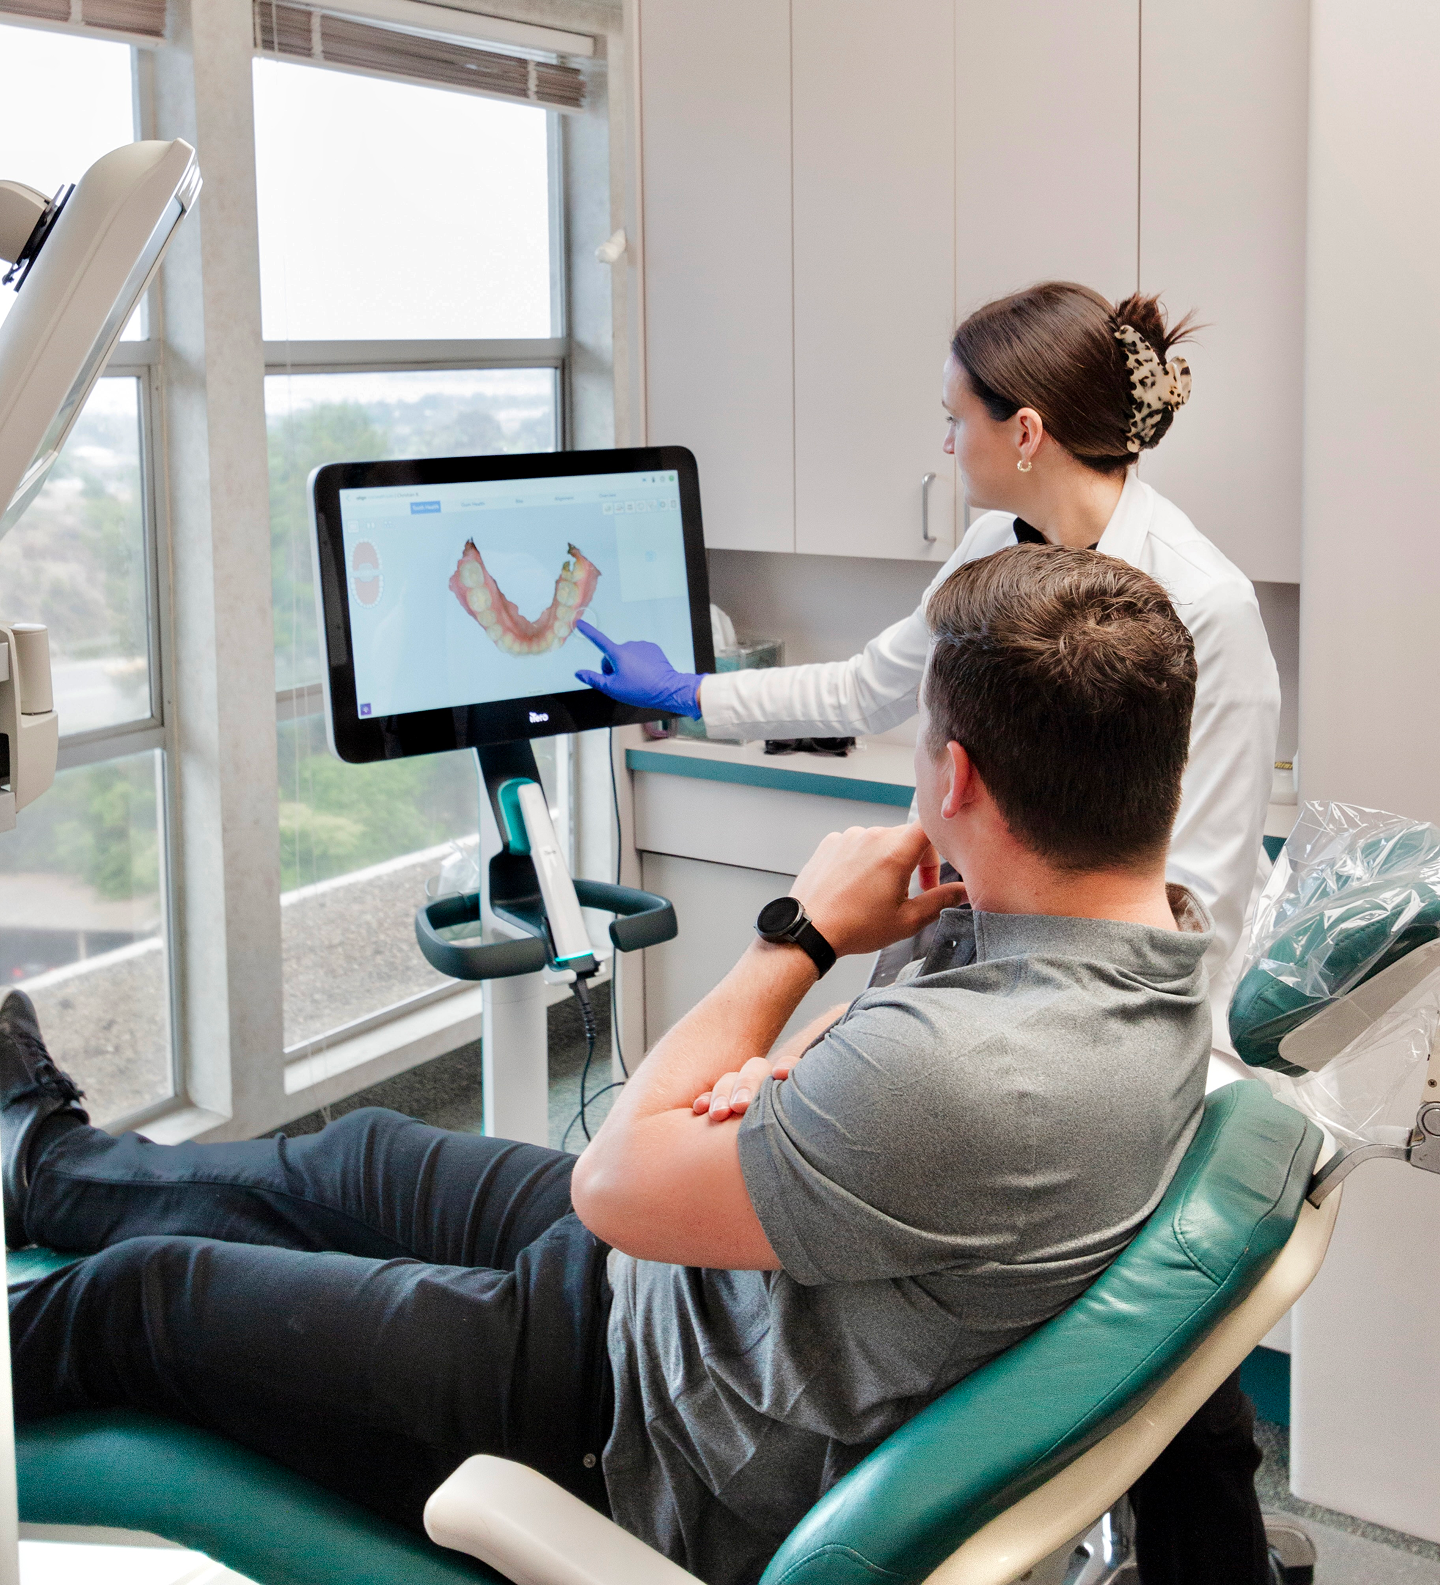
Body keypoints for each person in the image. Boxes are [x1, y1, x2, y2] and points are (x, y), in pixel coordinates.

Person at [5, 547, 1212, 1585]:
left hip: (629, 1414)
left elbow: (616, 1181)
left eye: (924, 745)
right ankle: (45, 1164)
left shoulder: (979, 1074)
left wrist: (800, 936)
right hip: (689, 1281)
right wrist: (804, 1070)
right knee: (352, 1157)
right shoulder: (1143, 943)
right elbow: (870, 1053)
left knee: (147, 1300)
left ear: (955, 778)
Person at [576, 283, 1283, 1585]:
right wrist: (690, 691)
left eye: (954, 418)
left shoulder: (1202, 603)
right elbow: (869, 687)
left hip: (1110, 1027)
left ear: (1025, 430)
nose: (944, 442)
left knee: (1175, 1399)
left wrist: (1091, 1063)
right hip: (978, 1003)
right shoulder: (994, 550)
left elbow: (1194, 889)